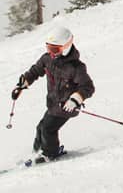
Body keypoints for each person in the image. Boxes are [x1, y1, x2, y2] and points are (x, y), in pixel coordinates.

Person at [11, 26, 95, 164]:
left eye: (54, 49)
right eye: (48, 48)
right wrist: (23, 84)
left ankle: (50, 154)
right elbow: (35, 71)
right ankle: (36, 153)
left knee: (48, 128)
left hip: (67, 106)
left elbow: (88, 87)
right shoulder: (47, 59)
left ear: (66, 47)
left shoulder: (76, 67)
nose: (51, 52)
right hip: (53, 104)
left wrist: (75, 99)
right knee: (40, 127)